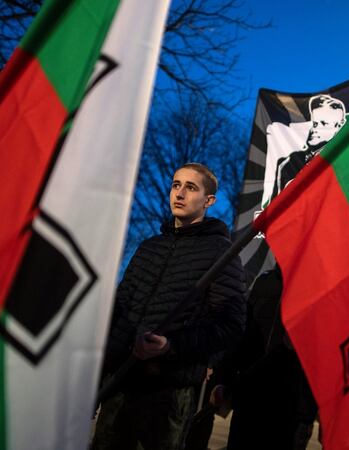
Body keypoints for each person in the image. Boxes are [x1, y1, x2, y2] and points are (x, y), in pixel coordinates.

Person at [93, 163, 247, 450]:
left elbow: (230, 325)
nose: (180, 193)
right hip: (122, 384)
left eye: (191, 187)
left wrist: (171, 345)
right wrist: (98, 379)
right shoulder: (148, 248)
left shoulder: (221, 255)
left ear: (208, 201)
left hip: (169, 393)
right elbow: (119, 313)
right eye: (176, 185)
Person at [211, 267, 318, 450]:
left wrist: (309, 411)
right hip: (250, 396)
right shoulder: (265, 282)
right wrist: (224, 380)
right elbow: (243, 336)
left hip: (290, 406)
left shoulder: (321, 285)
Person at [270, 94, 346, 200]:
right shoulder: (289, 162)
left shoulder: (341, 161)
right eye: (315, 124)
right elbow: (273, 207)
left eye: (323, 124)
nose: (315, 130)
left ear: (339, 125)